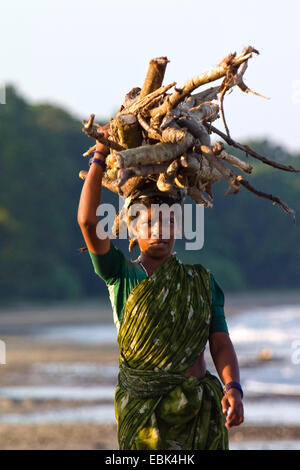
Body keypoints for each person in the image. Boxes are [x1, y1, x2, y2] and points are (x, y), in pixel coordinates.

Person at [77, 124, 244, 450]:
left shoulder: (201, 282)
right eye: (150, 222)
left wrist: (233, 387)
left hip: (199, 411)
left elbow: (220, 342)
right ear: (131, 227)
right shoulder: (120, 274)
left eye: (169, 221)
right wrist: (100, 152)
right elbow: (86, 221)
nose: (161, 230)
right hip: (143, 413)